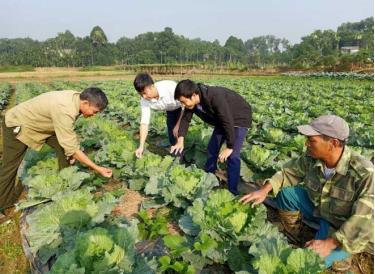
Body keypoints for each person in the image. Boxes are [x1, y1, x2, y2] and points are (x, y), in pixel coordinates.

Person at [240, 115, 374, 271]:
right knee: (286, 194)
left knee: (311, 261)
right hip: (319, 209)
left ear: (333, 143)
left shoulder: (364, 173)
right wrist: (264, 190)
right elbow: (289, 172)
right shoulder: (312, 157)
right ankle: (298, 235)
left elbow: (364, 220)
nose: (306, 144)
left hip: (341, 226)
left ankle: (344, 253)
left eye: (312, 140)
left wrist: (329, 244)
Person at [0, 87, 113, 218]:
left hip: (42, 124)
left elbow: (68, 137)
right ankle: (3, 204)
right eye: (94, 112)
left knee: (65, 149)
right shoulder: (65, 109)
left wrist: (71, 152)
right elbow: (72, 146)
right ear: (86, 103)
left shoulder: (76, 99)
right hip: (17, 124)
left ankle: (65, 181)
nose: (94, 115)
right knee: (9, 167)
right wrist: (97, 168)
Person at [171, 79, 252, 195]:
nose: (183, 105)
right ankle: (209, 178)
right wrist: (180, 140)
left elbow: (227, 120)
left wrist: (229, 147)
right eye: (181, 103)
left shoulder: (214, 96)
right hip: (222, 119)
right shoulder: (192, 102)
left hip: (239, 118)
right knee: (212, 148)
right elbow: (186, 119)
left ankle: (232, 191)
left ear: (193, 95)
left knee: (233, 156)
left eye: (183, 102)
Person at [133, 72, 183, 158]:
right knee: (172, 134)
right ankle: (177, 155)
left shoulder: (170, 87)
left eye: (145, 93)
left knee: (180, 130)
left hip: (184, 106)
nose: (144, 97)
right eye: (141, 94)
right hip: (170, 110)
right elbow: (144, 123)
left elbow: (185, 105)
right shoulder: (144, 100)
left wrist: (178, 125)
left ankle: (181, 153)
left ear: (152, 86)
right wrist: (141, 146)